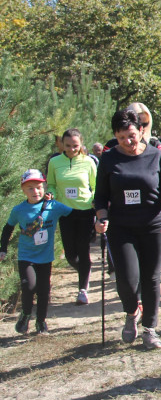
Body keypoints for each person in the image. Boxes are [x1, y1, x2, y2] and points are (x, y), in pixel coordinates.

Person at [94, 109, 161, 350]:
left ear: (141, 130)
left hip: (154, 223)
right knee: (127, 280)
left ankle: (150, 330)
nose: (128, 142)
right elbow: (100, 196)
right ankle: (132, 311)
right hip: (121, 226)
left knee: (151, 277)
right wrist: (101, 218)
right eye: (121, 138)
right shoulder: (109, 159)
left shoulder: (156, 156)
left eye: (131, 135)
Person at [1, 169, 73, 334]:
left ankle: (41, 322)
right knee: (29, 286)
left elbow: (73, 214)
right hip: (26, 256)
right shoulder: (19, 210)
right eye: (30, 188)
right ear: (23, 190)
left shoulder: (53, 206)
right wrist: (3, 248)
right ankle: (25, 314)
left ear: (45, 186)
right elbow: (8, 228)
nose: (36, 191)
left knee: (43, 290)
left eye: (39, 187)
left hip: (45, 257)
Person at [46, 128, 97, 305]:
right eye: (68, 145)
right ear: (62, 145)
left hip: (85, 210)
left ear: (81, 144)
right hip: (65, 211)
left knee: (83, 249)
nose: (72, 149)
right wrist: (50, 194)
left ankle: (82, 289)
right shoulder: (54, 162)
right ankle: (85, 270)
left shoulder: (88, 162)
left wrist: (95, 201)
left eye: (75, 146)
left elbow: (96, 186)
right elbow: (51, 184)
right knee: (70, 255)